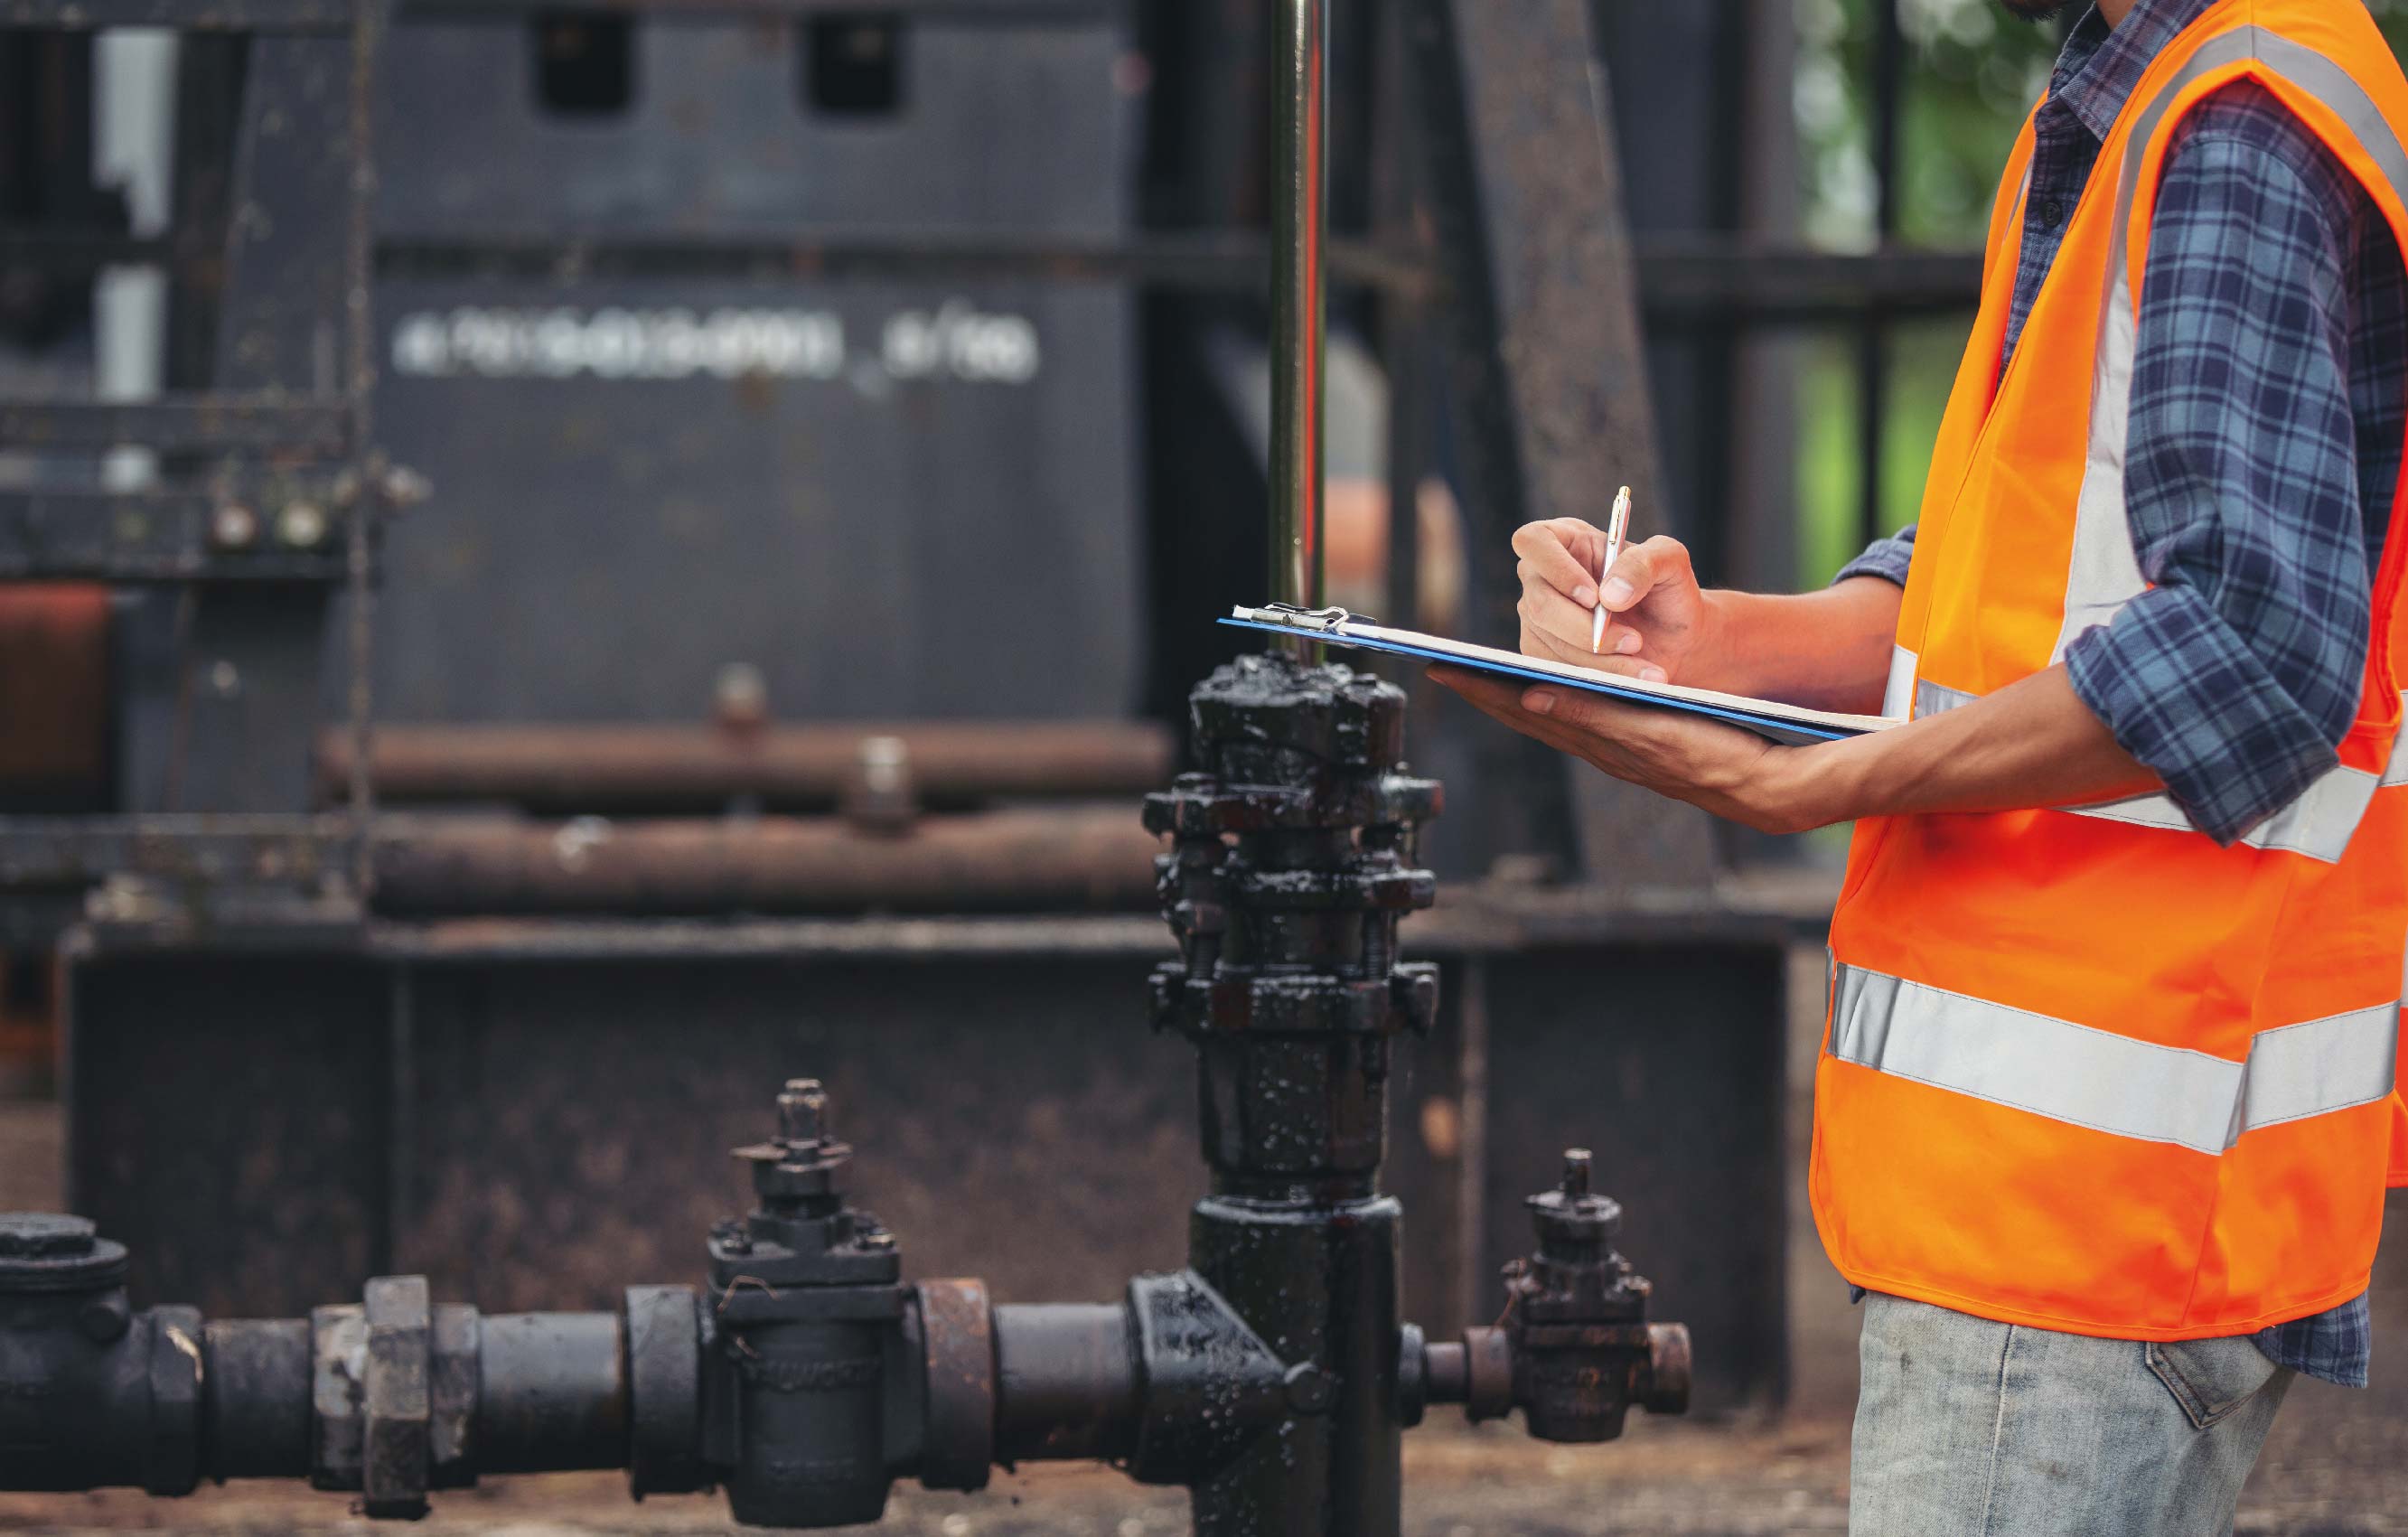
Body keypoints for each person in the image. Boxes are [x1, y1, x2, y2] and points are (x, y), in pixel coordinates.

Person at [1435, 1, 2408, 1532]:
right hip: (2064, 1205)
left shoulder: (2233, 122)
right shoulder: (2135, 97)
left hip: (2078, 1212)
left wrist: (1812, 786)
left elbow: (2247, 644)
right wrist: (1710, 642)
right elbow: (2005, 581)